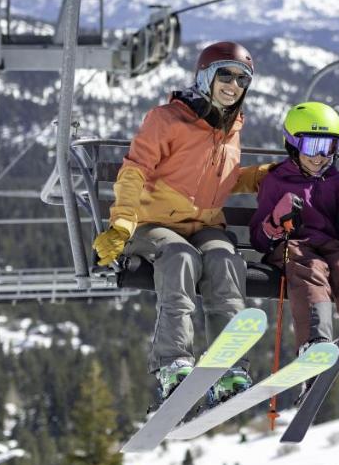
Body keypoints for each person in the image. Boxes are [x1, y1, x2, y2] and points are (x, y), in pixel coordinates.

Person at [91, 41, 271, 408]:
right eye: (225, 74)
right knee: (181, 258)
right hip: (154, 223)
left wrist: (267, 177)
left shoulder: (230, 128)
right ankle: (172, 362)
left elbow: (218, 178)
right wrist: (123, 224)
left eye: (242, 79)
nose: (233, 85)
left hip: (205, 225)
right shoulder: (167, 119)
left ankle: (229, 367)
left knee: (225, 262)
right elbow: (134, 171)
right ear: (205, 76)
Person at [250, 102, 339, 392]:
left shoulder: (337, 182)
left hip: (330, 246)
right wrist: (275, 221)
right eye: (311, 146)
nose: (320, 156)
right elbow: (259, 238)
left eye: (328, 147)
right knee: (310, 268)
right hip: (292, 245)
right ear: (294, 145)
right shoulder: (276, 181)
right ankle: (315, 344)